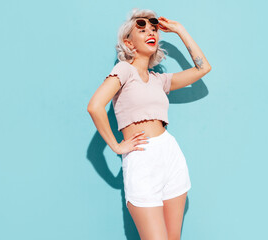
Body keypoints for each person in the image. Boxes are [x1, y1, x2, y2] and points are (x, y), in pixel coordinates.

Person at [87, 8, 211, 240]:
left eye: (153, 29)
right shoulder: (124, 70)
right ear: (129, 42)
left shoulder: (159, 80)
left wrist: (179, 30)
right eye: (141, 28)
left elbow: (203, 69)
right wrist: (117, 146)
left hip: (170, 155)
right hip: (141, 159)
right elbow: (94, 106)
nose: (150, 31)